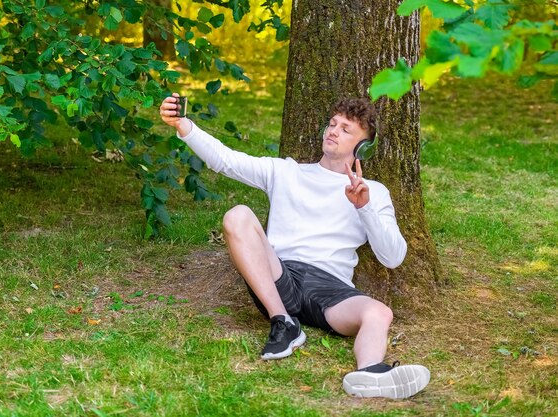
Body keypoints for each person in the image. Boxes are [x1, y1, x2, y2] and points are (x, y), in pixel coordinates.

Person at [159, 94, 430, 399]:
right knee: (237, 215)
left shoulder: (375, 193)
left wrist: (364, 207)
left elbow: (393, 258)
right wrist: (183, 124)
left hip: (331, 290)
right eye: (332, 124)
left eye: (345, 129)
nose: (333, 131)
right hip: (280, 277)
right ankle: (284, 324)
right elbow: (226, 160)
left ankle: (368, 372)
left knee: (378, 312)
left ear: (362, 146)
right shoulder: (286, 172)